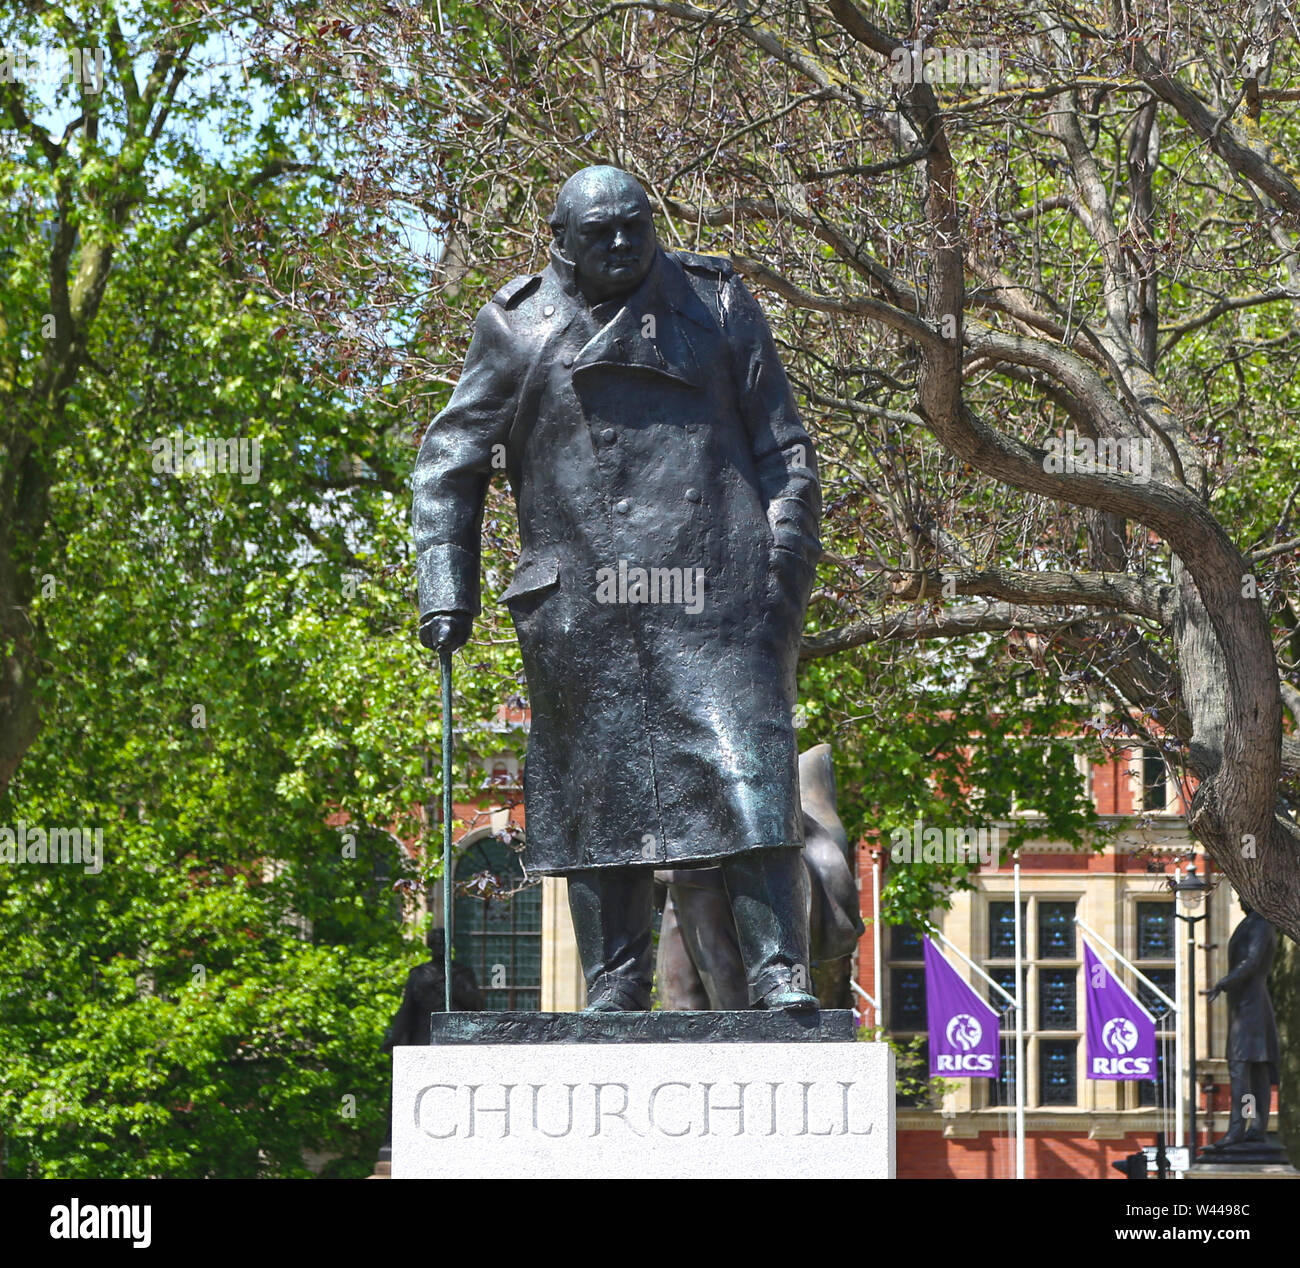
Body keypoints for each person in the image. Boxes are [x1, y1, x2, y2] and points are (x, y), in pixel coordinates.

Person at [412, 166, 822, 1011]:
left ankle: (782, 972)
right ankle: (614, 980)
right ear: (559, 240)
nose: (625, 243)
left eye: (638, 225)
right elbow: (448, 461)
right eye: (601, 233)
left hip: (721, 587)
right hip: (585, 603)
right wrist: (446, 587)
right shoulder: (516, 326)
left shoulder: (715, 305)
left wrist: (784, 560)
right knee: (600, 790)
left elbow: (785, 446)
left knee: (751, 775)